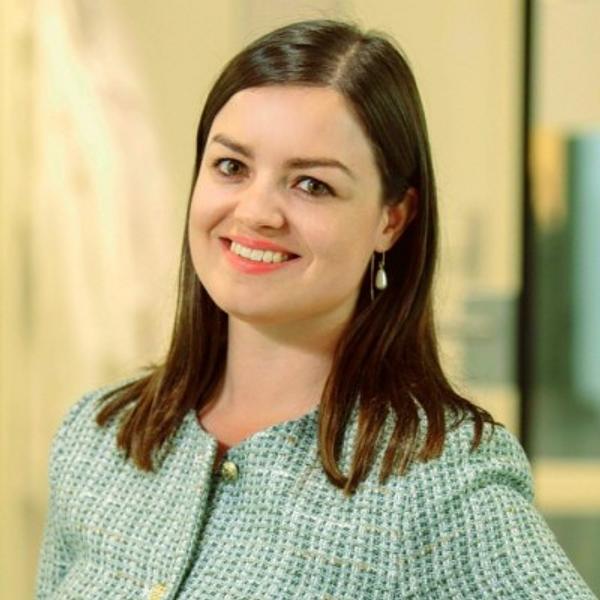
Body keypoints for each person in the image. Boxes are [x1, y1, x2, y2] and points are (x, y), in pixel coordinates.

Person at [35, 18, 597, 600]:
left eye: (311, 185)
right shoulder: (99, 439)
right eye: (232, 167)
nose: (256, 212)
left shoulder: (442, 480)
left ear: (392, 219)